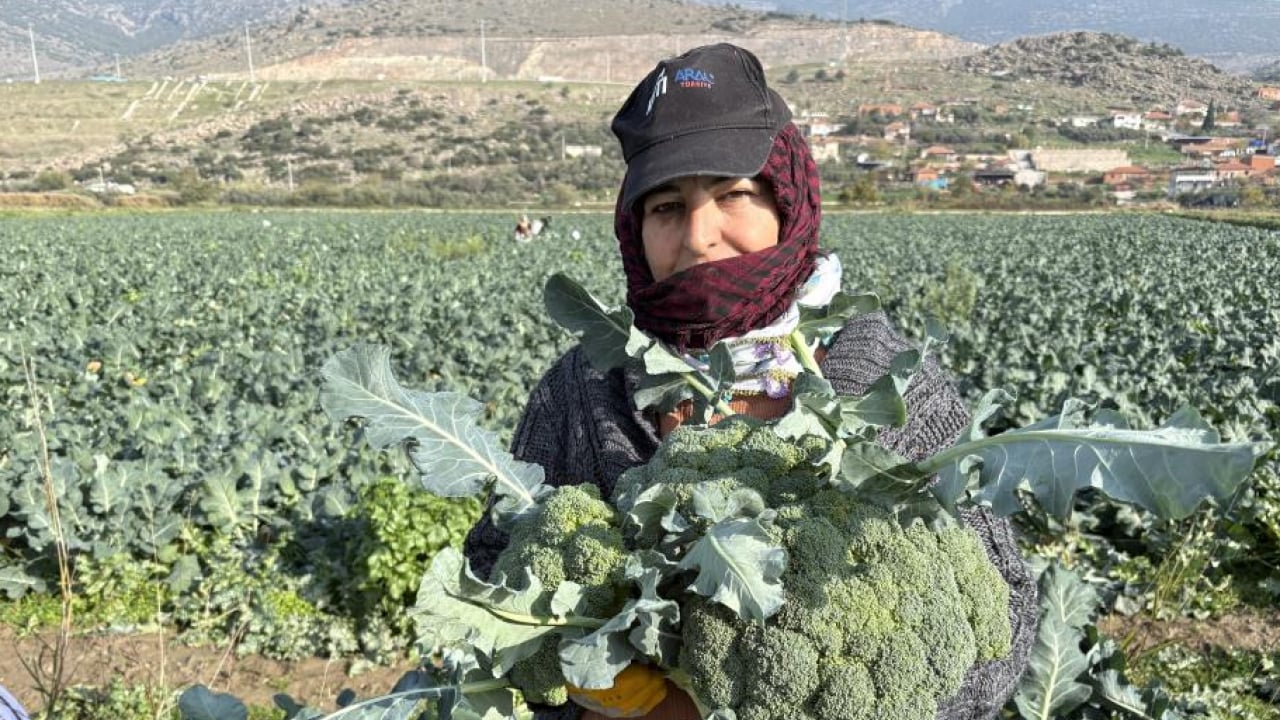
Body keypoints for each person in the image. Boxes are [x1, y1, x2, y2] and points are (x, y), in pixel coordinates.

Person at [464, 43, 1038, 720]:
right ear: (634, 226)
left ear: (788, 202)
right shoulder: (582, 392)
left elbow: (1005, 614)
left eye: (733, 193)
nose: (700, 236)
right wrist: (616, 700)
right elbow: (491, 588)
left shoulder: (895, 391)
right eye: (667, 208)